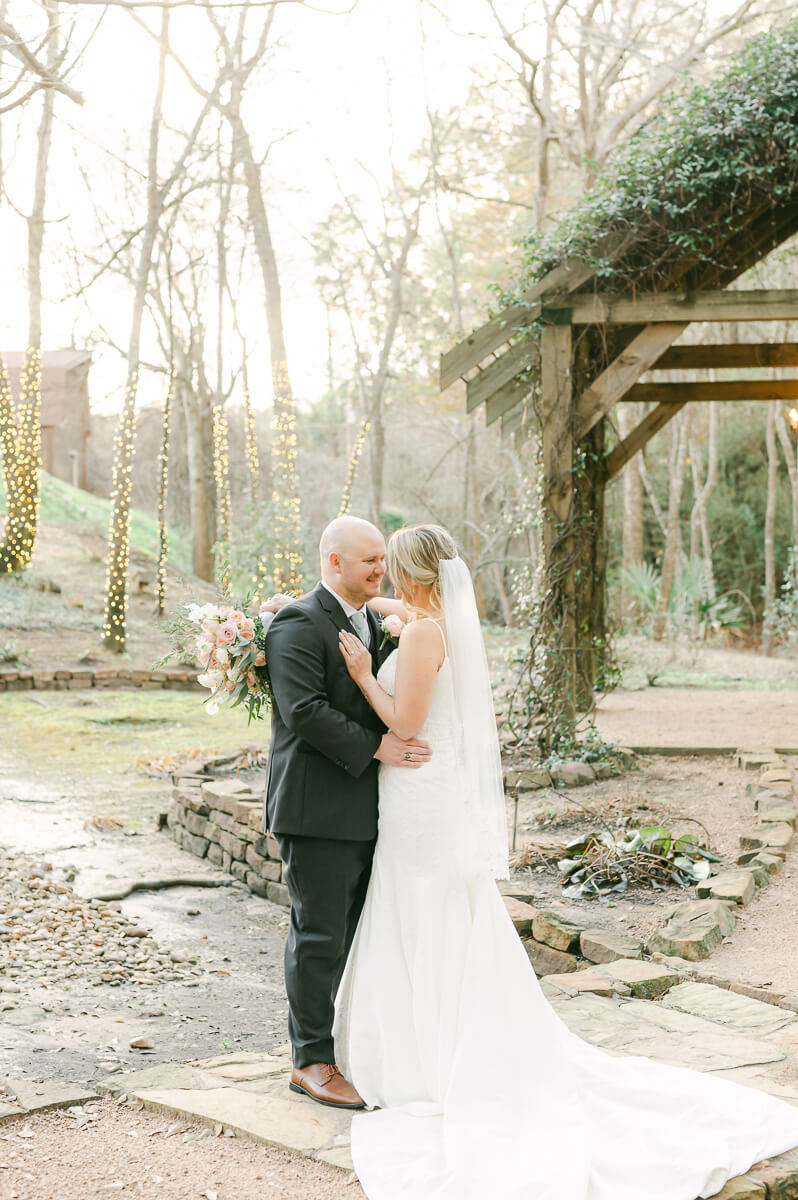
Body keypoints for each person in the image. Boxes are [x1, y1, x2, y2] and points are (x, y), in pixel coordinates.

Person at [332, 522, 798, 1200]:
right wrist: (357, 611)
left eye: (392, 567)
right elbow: (397, 614)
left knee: (420, 906)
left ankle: (423, 1060)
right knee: (432, 909)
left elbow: (404, 724)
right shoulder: (434, 622)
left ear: (414, 572)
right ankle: (432, 1044)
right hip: (423, 795)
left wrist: (357, 673)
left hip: (418, 793)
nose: (388, 579)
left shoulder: (427, 633)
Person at [263, 515, 432, 1112]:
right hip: (316, 809)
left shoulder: (370, 620)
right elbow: (302, 710)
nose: (380, 569)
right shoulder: (297, 623)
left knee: (354, 937)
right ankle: (310, 1061)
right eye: (369, 561)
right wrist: (379, 747)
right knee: (318, 936)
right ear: (333, 561)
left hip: (367, 809)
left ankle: (344, 1047)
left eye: (382, 558)